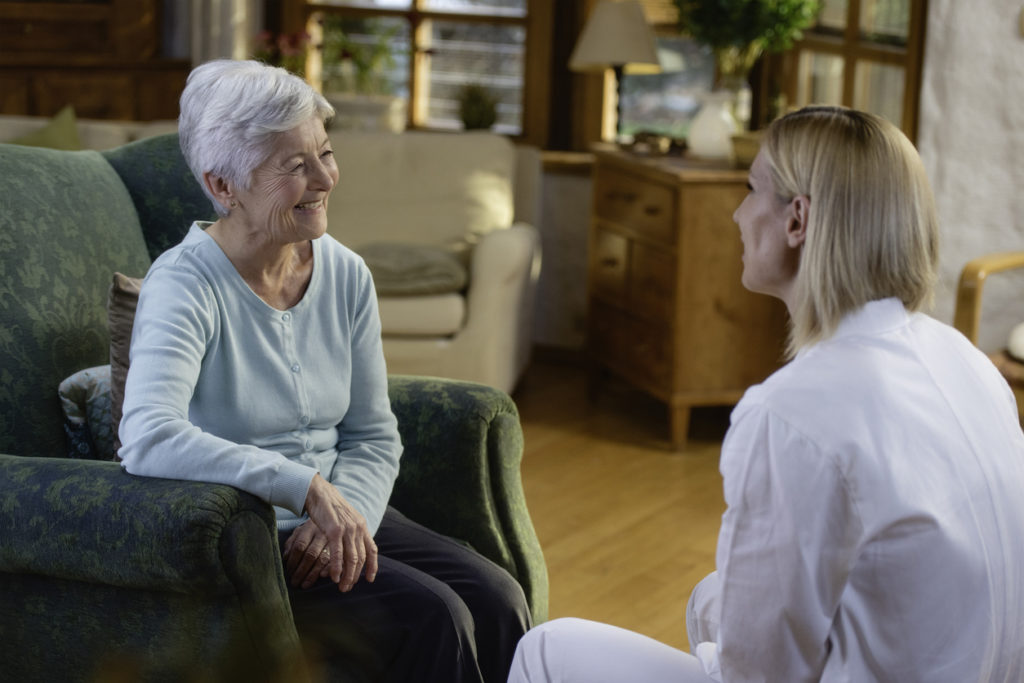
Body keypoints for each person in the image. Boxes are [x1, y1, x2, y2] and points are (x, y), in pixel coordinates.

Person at [508, 106, 1024, 683]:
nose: (737, 212)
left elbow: (757, 674)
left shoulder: (791, 413)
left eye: (752, 190)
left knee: (546, 649)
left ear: (796, 220)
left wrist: (718, 649)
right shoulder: (968, 360)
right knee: (712, 599)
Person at [118, 59, 530, 683]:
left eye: (325, 153)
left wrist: (345, 515)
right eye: (294, 166)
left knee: (499, 598)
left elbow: (372, 433)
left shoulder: (344, 273)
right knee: (435, 616)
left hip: (345, 513)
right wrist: (303, 488)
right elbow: (147, 435)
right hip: (250, 536)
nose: (324, 178)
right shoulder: (184, 284)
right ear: (223, 186)